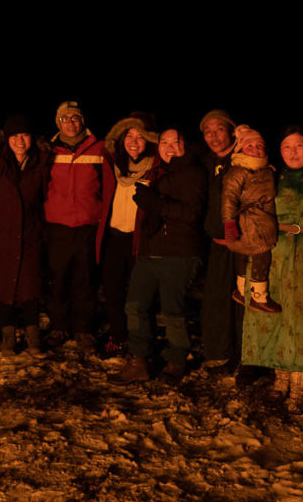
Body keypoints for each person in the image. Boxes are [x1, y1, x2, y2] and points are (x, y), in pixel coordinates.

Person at [109, 128, 207, 385]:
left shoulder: (193, 173)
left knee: (172, 310)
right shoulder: (160, 171)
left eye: (176, 142)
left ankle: (176, 361)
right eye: (164, 142)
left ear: (186, 146)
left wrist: (157, 203)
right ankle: (139, 360)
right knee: (135, 305)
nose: (170, 147)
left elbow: (191, 215)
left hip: (179, 252)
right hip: (151, 250)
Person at [241, 126, 303, 413]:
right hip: (272, 251)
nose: (293, 152)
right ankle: (279, 383)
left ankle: (299, 390)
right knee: (273, 317)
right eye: (287, 146)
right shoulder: (270, 176)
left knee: (301, 320)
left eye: (299, 146)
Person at [43, 101, 115, 351]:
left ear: (83, 121)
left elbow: (108, 186)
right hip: (57, 226)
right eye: (65, 119)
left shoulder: (100, 147)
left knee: (85, 280)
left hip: (87, 226)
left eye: (75, 118)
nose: (70, 123)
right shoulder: (48, 150)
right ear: (58, 123)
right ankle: (59, 327)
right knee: (57, 279)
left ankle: (84, 329)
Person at [0, 115, 49, 355]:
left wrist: (44, 233)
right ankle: (8, 336)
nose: (20, 140)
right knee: (4, 290)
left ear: (31, 138)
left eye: (24, 135)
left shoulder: (40, 165)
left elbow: (44, 201)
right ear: (7, 140)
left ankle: (33, 336)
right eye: (14, 136)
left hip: (30, 237)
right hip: (1, 238)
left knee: (30, 290)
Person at [101, 113, 159, 356]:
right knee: (113, 291)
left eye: (140, 137)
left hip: (140, 240)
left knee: (140, 297)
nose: (134, 141)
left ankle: (142, 342)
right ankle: (118, 337)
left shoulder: (156, 168)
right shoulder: (112, 164)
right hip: (114, 238)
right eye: (129, 136)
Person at [198, 109, 246, 375]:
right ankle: (219, 354)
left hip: (243, 243)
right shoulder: (204, 163)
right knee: (217, 299)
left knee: (242, 301)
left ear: (231, 130)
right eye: (208, 131)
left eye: (219, 130)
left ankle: (244, 358)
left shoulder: (245, 158)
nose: (214, 136)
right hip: (216, 242)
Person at [222, 125, 281, 313]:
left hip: (262, 220)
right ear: (240, 149)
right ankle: (259, 296)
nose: (256, 150)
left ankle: (240, 290)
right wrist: (229, 222)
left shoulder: (267, 170)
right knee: (261, 254)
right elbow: (228, 199)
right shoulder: (238, 171)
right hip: (249, 223)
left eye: (260, 146)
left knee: (245, 254)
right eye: (250, 146)